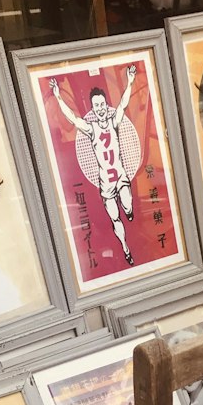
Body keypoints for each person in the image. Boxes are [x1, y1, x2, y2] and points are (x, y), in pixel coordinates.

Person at [49, 66, 138, 265]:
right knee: (115, 218)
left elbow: (123, 105)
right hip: (106, 184)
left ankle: (130, 211)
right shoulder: (91, 128)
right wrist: (58, 97)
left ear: (106, 105)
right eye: (95, 106)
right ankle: (125, 249)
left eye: (101, 104)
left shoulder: (114, 121)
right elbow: (72, 118)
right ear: (93, 108)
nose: (98, 109)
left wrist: (130, 81)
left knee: (127, 203)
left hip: (121, 177)